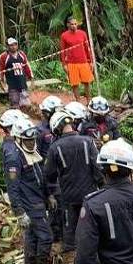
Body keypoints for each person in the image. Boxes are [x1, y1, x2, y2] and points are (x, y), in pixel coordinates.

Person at [2, 119, 63, 264]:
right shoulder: (14, 158)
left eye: (32, 140)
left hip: (38, 200)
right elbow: (12, 188)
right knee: (46, 236)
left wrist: (48, 195)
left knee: (31, 236)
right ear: (18, 139)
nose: (31, 143)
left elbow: (39, 177)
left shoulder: (30, 152)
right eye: (27, 140)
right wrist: (19, 212)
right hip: (30, 205)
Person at [44, 106, 102, 253]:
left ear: (56, 128)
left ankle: (71, 258)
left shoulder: (54, 148)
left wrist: (50, 193)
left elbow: (49, 175)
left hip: (68, 196)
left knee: (69, 232)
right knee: (91, 226)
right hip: (90, 193)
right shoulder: (88, 141)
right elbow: (98, 168)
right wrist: (101, 186)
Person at [37, 95, 64, 242]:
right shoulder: (40, 131)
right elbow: (37, 156)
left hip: (61, 172)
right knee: (53, 206)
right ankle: (54, 236)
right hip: (48, 174)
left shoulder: (59, 129)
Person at [59, 16, 93, 101]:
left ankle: (89, 100)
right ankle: (78, 101)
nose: (74, 26)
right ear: (68, 25)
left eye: (75, 24)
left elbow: (87, 48)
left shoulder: (83, 33)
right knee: (74, 84)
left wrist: (91, 61)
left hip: (83, 62)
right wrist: (64, 65)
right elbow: (62, 51)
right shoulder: (64, 36)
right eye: (72, 24)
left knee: (87, 82)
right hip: (71, 63)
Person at [0, 38, 33, 110]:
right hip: (12, 86)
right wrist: (1, 82)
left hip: (22, 85)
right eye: (11, 45)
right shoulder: (4, 56)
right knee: (15, 106)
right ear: (8, 46)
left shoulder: (21, 54)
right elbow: (0, 70)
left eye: (15, 44)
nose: (13, 46)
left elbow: (27, 66)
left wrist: (31, 79)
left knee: (26, 106)